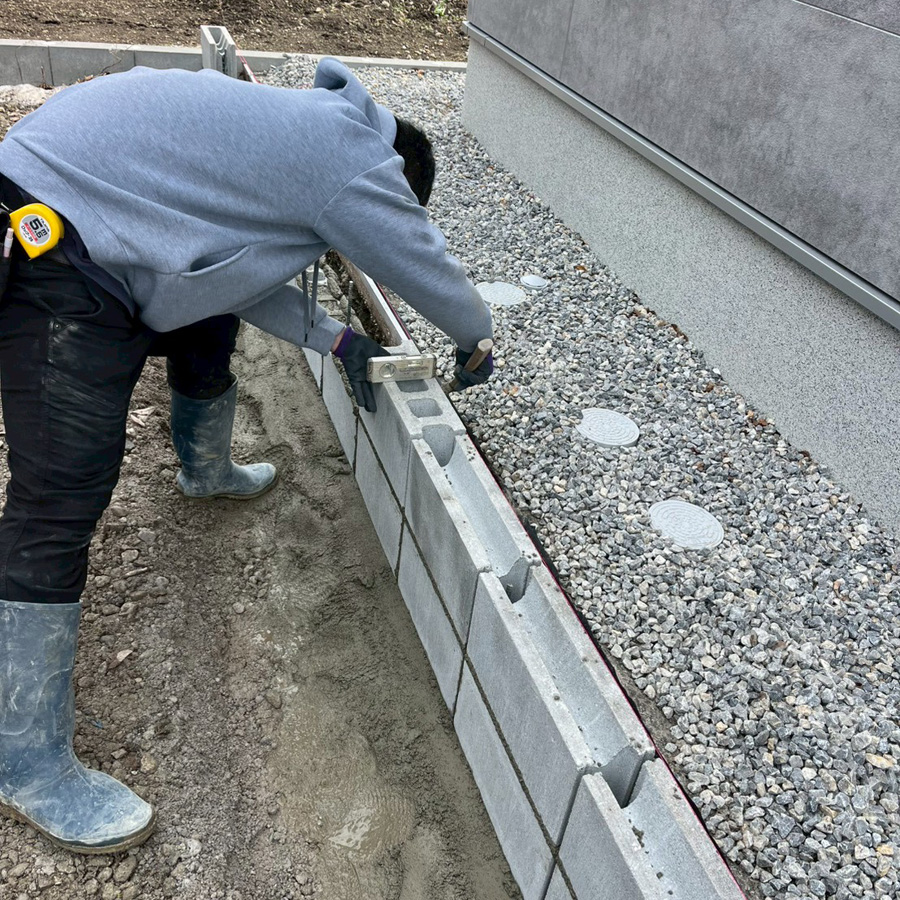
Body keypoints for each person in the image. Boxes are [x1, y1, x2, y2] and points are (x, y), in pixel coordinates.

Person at [0, 58, 493, 854]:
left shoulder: (301, 134)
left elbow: (226, 270)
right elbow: (425, 263)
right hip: (49, 239)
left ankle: (206, 470)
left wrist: (336, 339)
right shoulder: (352, 159)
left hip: (87, 207)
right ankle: (23, 761)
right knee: (63, 491)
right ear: (393, 174)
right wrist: (475, 339)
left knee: (206, 314)